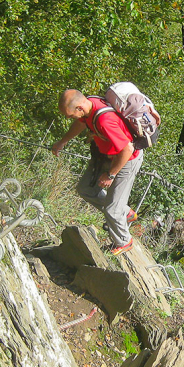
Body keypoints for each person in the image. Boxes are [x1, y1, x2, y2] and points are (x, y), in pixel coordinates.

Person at [51, 89, 154, 255]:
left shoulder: (105, 120)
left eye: (70, 115)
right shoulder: (89, 106)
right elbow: (81, 123)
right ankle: (125, 212)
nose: (69, 118)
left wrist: (111, 174)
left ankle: (124, 241)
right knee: (85, 189)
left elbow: (127, 149)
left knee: (112, 209)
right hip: (106, 155)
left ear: (79, 108)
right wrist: (62, 141)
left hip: (126, 160)